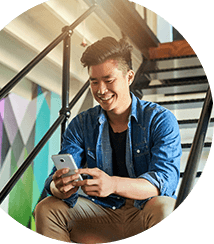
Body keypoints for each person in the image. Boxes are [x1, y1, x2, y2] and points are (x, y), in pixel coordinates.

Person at [34, 37, 182, 243]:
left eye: (109, 80)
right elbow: (55, 180)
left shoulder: (160, 119)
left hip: (143, 213)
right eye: (94, 82)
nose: (101, 90)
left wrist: (113, 184)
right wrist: (59, 187)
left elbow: (164, 182)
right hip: (100, 213)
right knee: (46, 208)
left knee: (167, 207)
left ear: (129, 77)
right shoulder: (81, 124)